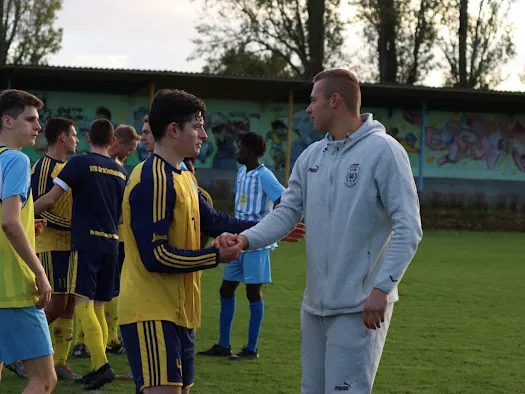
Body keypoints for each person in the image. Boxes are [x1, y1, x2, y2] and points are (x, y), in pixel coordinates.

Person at [213, 68, 423, 393]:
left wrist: (382, 288)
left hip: (360, 307)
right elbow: (285, 214)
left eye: (313, 100)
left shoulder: (385, 151)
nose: (308, 108)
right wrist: (245, 239)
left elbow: (409, 226)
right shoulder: (311, 156)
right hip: (314, 308)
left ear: (334, 100)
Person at [117, 89, 304, 394]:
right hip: (150, 313)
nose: (204, 134)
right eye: (197, 125)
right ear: (174, 129)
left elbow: (214, 221)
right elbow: (156, 256)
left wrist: (271, 227)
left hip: (181, 313)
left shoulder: (183, 176)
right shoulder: (152, 179)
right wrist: (215, 257)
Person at [34, 118, 128, 391]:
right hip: (112, 243)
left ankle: (100, 366)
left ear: (88, 138)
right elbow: (122, 216)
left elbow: (50, 198)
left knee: (82, 303)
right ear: (113, 142)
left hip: (86, 243)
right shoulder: (120, 172)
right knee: (97, 305)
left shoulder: (79, 163)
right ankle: (94, 366)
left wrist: (20, 214)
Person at [199, 131, 285, 360]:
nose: (237, 152)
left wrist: (270, 227)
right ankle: (224, 345)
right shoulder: (241, 172)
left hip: (257, 243)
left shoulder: (265, 175)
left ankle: (251, 349)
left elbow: (284, 201)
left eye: (239, 148)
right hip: (237, 241)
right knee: (226, 289)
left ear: (250, 151)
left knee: (252, 291)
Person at [0, 89, 57, 393]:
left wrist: (25, 225)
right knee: (44, 380)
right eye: (30, 119)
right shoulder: (16, 160)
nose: (38, 126)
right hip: (13, 288)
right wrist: (39, 271)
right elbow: (9, 222)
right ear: (7, 121)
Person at [31, 117, 82, 381]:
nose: (77, 140)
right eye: (74, 135)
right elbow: (35, 207)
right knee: (56, 302)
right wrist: (73, 225)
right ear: (62, 137)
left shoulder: (69, 167)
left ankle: (60, 362)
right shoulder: (44, 166)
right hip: (50, 245)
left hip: (70, 245)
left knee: (70, 303)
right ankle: (20, 351)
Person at [105, 124, 140, 355]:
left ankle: (105, 339)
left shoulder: (119, 167)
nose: (131, 153)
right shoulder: (110, 167)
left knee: (108, 289)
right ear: (116, 141)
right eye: (130, 148)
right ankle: (111, 339)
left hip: (120, 236)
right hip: (114, 236)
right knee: (111, 289)